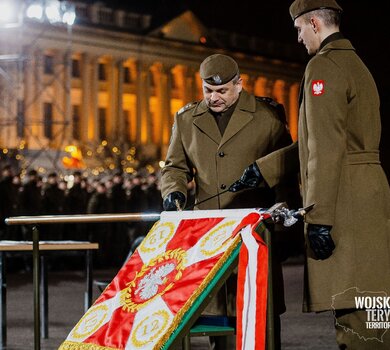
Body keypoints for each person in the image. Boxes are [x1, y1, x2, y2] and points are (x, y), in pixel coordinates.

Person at [232, 1, 390, 348]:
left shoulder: (324, 67)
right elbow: (330, 141)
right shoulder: (355, 63)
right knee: (373, 304)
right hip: (364, 193)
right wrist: (263, 169)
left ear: (315, 23)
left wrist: (320, 217)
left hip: (342, 198)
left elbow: (325, 148)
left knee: (355, 313)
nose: (300, 39)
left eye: (299, 29)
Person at [161, 53, 301, 349]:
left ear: (239, 84)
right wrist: (173, 191)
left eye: (222, 90)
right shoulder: (186, 119)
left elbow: (287, 171)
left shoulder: (268, 117)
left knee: (261, 323)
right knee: (220, 325)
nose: (214, 97)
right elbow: (174, 166)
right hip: (212, 239)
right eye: (208, 91)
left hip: (256, 237)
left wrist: (286, 228)